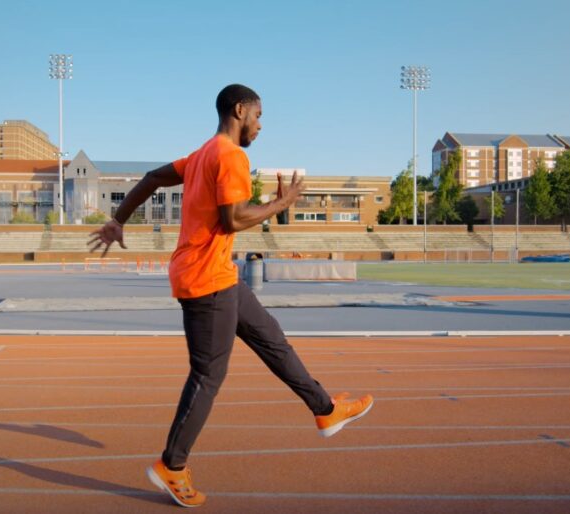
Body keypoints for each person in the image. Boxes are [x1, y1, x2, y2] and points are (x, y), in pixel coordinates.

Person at [89, 84, 373, 508]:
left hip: (220, 276)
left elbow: (151, 179)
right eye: (258, 117)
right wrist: (282, 203)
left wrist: (118, 219)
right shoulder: (231, 156)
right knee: (207, 377)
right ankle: (172, 465)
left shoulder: (202, 153)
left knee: (271, 338)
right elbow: (235, 217)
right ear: (240, 110)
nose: (260, 126)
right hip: (206, 282)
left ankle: (324, 408)